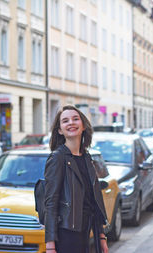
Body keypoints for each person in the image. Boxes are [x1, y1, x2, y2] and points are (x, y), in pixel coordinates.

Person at [44, 105, 109, 253]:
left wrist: (101, 237)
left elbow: (94, 201)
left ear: (84, 126)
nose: (71, 123)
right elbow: (51, 203)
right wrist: (50, 244)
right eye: (65, 121)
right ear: (60, 130)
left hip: (85, 230)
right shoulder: (57, 158)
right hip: (66, 233)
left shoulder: (86, 157)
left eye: (75, 119)